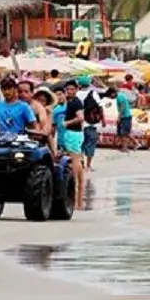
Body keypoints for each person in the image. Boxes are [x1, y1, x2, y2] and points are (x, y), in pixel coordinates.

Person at [61, 81, 87, 209]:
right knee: (77, 158)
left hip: (73, 133)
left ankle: (75, 182)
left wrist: (67, 123)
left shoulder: (75, 102)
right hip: (76, 133)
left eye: (72, 89)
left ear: (76, 89)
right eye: (68, 89)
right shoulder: (73, 102)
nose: (70, 91)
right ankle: (79, 185)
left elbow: (80, 117)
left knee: (75, 158)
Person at [76, 76, 104, 172]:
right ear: (89, 84)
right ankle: (88, 165)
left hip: (79, 124)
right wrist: (103, 120)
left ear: (79, 85)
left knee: (80, 145)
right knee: (91, 144)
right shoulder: (93, 93)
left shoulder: (76, 94)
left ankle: (82, 164)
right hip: (91, 124)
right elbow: (100, 107)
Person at [106, 87, 135, 152]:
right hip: (123, 116)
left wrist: (119, 117)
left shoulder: (120, 97)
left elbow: (122, 107)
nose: (111, 97)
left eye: (110, 95)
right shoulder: (119, 97)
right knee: (122, 133)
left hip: (125, 116)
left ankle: (126, 148)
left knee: (124, 133)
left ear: (113, 93)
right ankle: (124, 147)